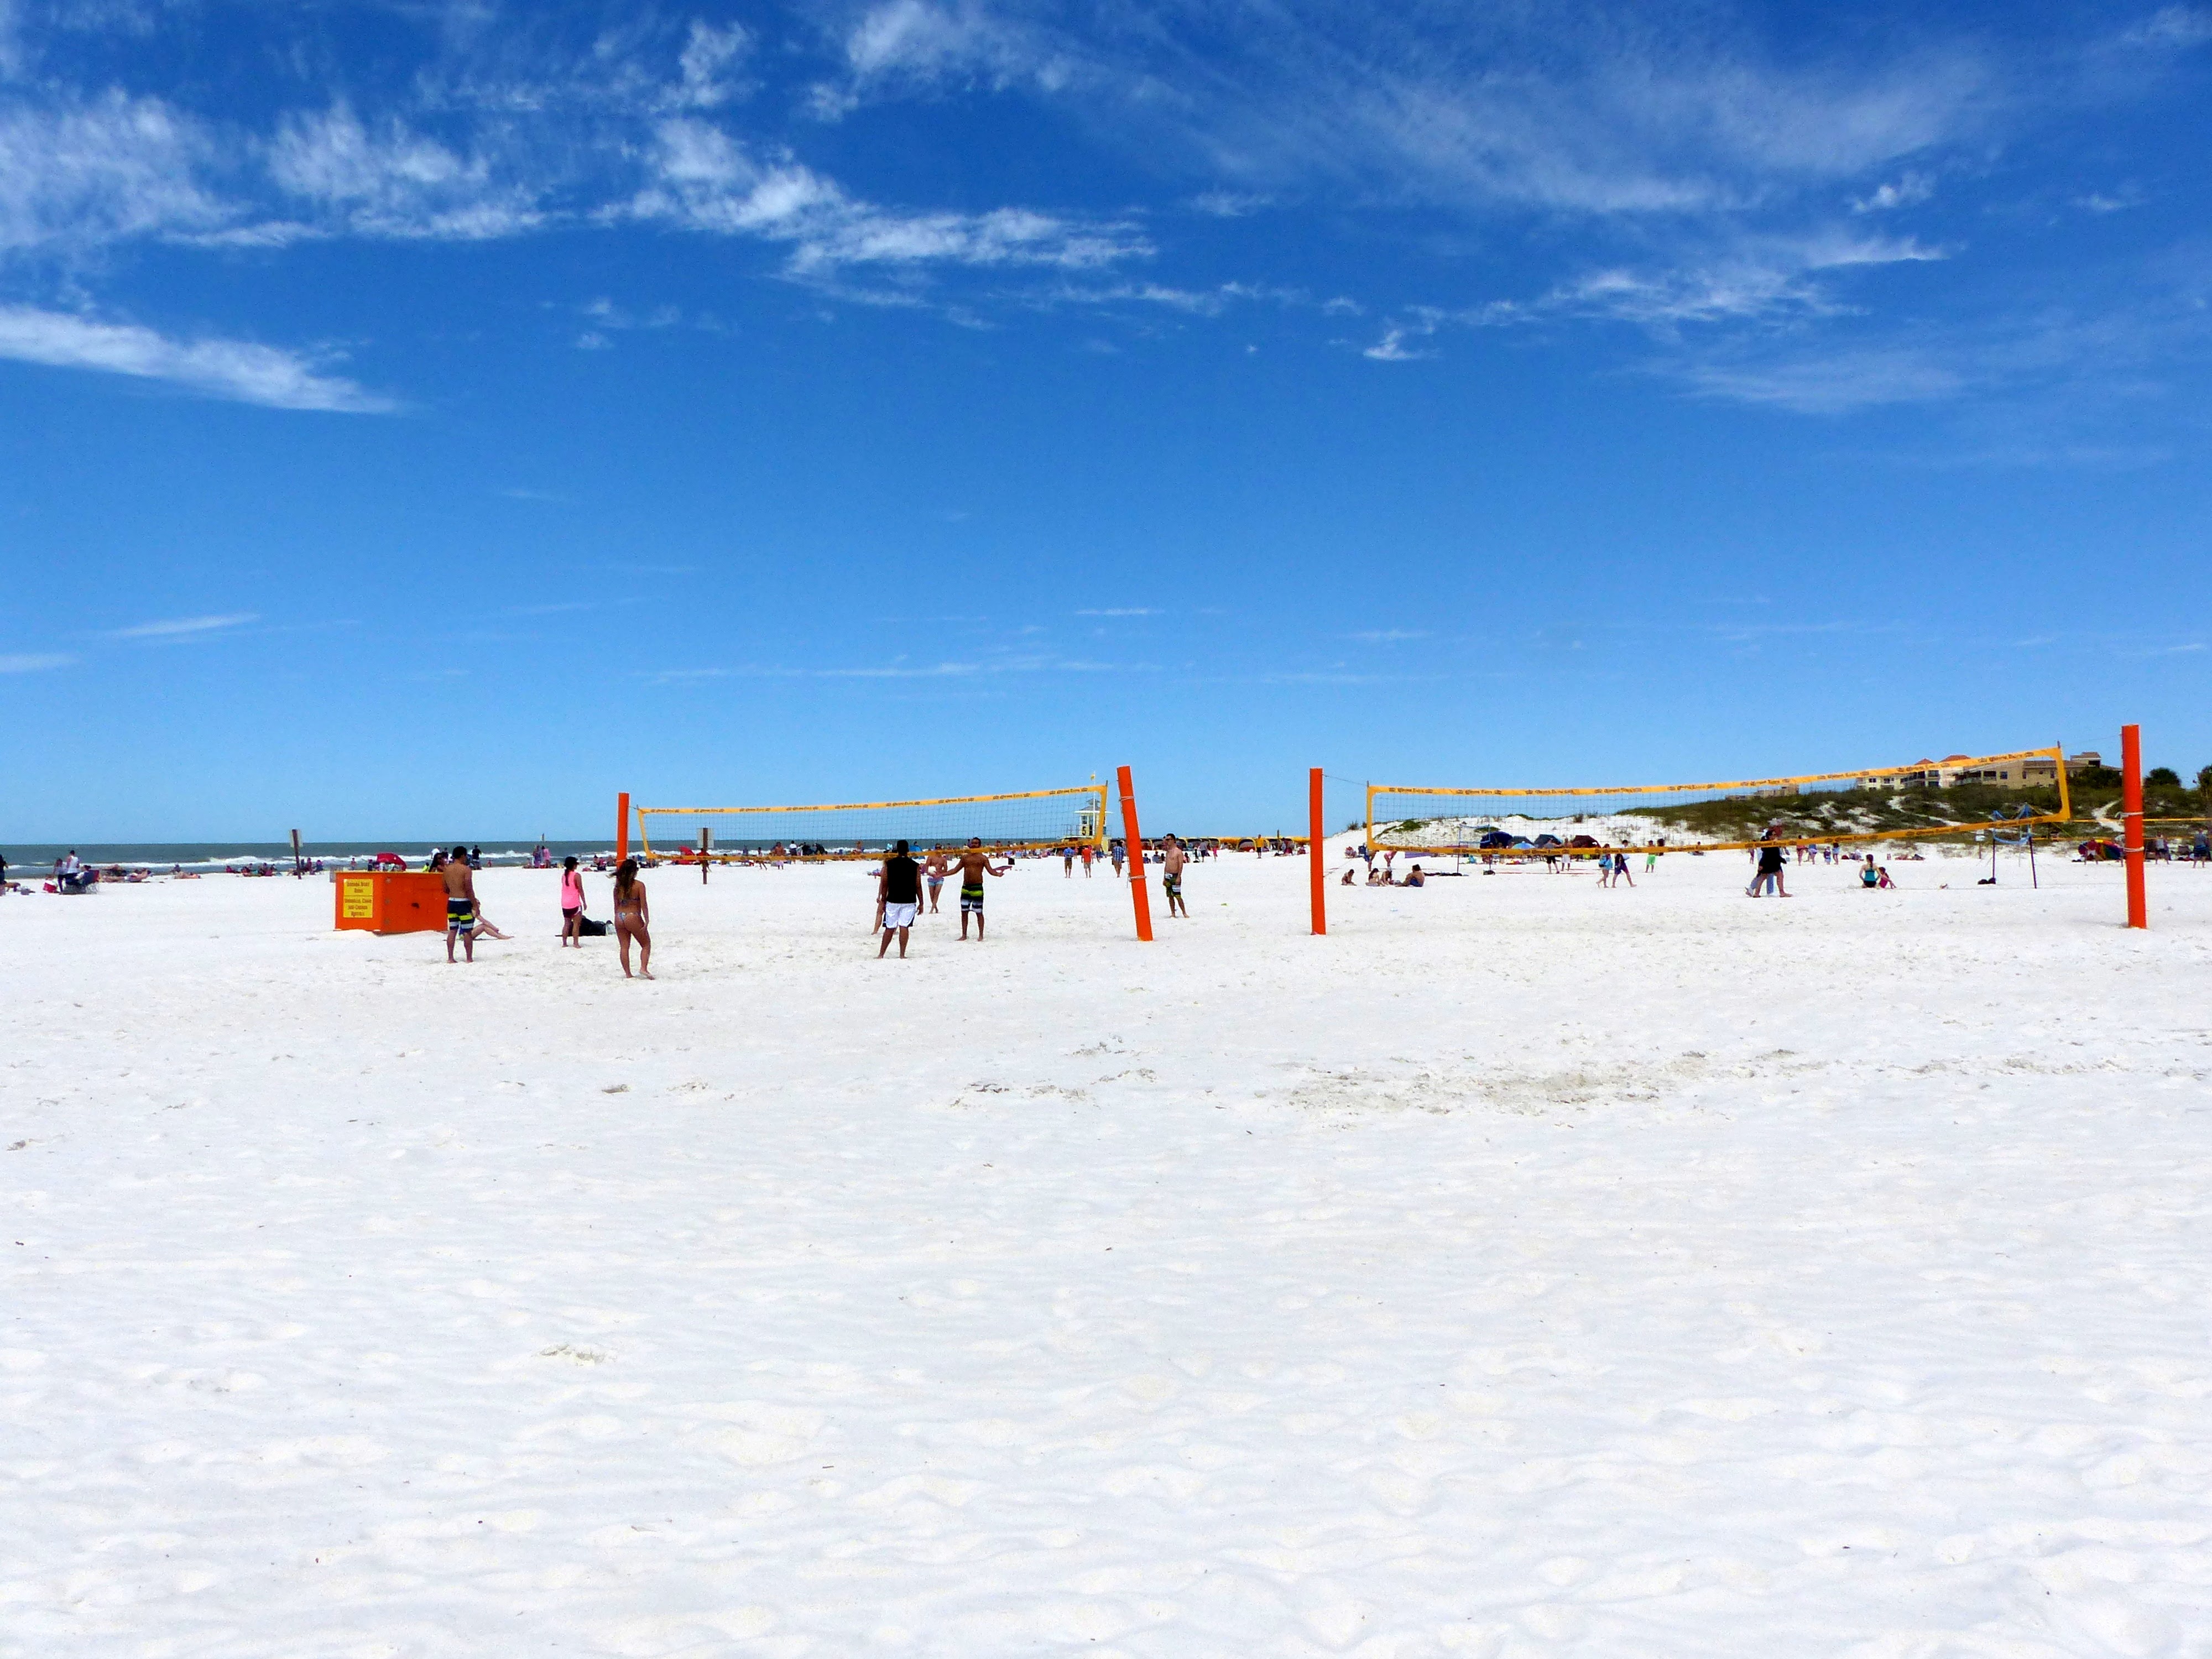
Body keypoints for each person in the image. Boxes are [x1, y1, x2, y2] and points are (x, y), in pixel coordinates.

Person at [950, 837, 1008, 940]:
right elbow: (955, 870)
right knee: (964, 912)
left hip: (977, 887)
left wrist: (998, 875)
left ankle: (981, 935)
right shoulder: (965, 858)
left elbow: (991, 871)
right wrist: (941, 874)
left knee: (979, 912)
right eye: (973, 843)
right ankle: (964, 935)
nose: (974, 845)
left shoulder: (983, 858)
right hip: (966, 887)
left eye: (976, 843)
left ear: (980, 845)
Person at [878, 838, 922, 958]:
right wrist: (922, 903)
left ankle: (881, 954)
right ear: (908, 850)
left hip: (893, 899)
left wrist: (883, 901)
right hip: (909, 900)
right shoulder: (915, 865)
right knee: (904, 927)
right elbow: (918, 885)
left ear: (897, 850)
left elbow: (885, 883)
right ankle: (902, 955)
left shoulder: (889, 864)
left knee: (890, 928)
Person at [613, 857, 651, 978]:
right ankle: (643, 968)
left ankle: (628, 974)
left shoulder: (618, 887)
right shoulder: (639, 885)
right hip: (632, 916)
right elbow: (643, 904)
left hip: (619, 916)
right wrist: (647, 919)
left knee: (624, 947)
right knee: (646, 944)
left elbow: (616, 905)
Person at [440, 843, 479, 962]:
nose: (467, 858)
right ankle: (469, 958)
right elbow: (469, 889)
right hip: (463, 902)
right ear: (462, 856)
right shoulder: (466, 870)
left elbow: (445, 889)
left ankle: (451, 958)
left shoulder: (447, 870)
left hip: (452, 902)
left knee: (452, 930)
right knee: (467, 931)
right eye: (466, 856)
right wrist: (475, 904)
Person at [1746, 829, 1789, 899]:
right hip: (1770, 862)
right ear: (1769, 836)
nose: (1775, 836)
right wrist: (1781, 860)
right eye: (1773, 835)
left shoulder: (1771, 843)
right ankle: (1782, 893)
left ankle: (1757, 893)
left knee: (1766, 877)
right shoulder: (1769, 844)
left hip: (1770, 862)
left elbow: (1773, 854)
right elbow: (1772, 854)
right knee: (1767, 877)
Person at [560, 856, 586, 946]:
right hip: (575, 903)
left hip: (565, 903)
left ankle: (564, 943)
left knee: (567, 924)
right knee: (576, 924)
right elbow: (580, 890)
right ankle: (576, 943)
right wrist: (584, 902)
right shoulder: (577, 876)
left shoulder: (564, 876)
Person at [1162, 835, 1189, 917]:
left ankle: (1184, 912)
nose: (1167, 841)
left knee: (1178, 896)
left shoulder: (1178, 852)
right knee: (1170, 896)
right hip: (1168, 876)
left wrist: (1178, 877)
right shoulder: (1168, 852)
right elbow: (1166, 865)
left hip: (1175, 875)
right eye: (1167, 840)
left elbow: (1181, 865)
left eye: (1169, 839)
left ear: (1173, 840)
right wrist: (1164, 877)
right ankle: (1173, 913)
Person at [923, 849, 951, 913]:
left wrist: (940, 872)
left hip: (939, 877)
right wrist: (929, 873)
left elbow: (946, 869)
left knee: (936, 894)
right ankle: (935, 907)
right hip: (931, 877)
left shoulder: (943, 859)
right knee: (931, 895)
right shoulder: (931, 857)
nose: (938, 849)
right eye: (937, 848)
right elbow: (926, 866)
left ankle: (932, 909)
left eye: (939, 848)